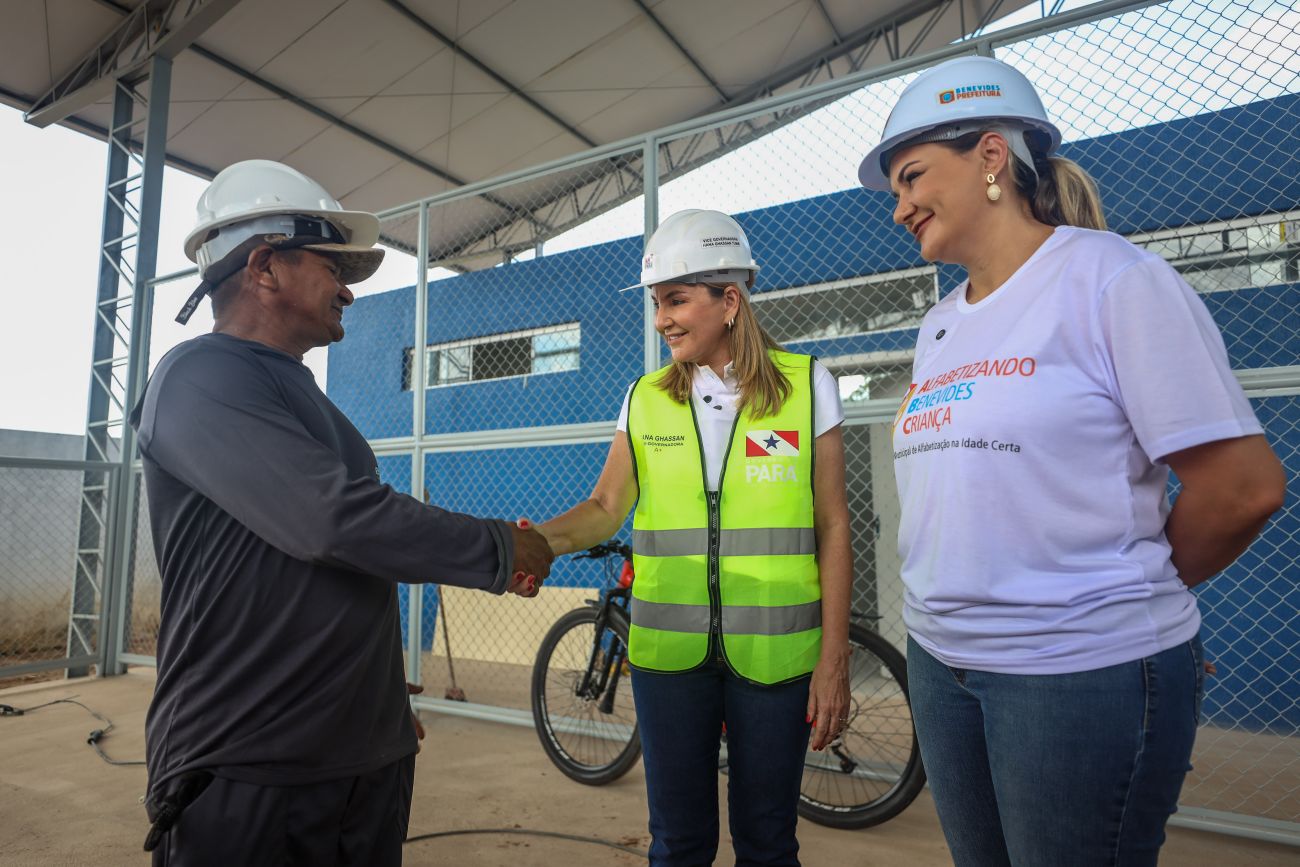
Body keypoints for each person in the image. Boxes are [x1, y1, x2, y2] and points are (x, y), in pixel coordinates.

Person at [858, 56, 1287, 866]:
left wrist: (1122, 590)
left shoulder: (1112, 279)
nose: (901, 207)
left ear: (992, 157)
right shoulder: (942, 322)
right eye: (895, 191)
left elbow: (1243, 488)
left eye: (912, 177)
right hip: (942, 662)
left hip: (1072, 672)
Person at [130, 159, 553, 866]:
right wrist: (500, 550)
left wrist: (378, 701)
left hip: (359, 760)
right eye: (332, 266)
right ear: (265, 266)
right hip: (250, 765)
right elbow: (330, 520)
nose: (349, 290)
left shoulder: (311, 405)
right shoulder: (198, 377)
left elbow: (333, 568)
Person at [527, 209, 852, 866]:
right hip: (668, 660)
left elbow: (833, 524)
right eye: (656, 302)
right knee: (677, 844)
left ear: (729, 299)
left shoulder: (806, 385)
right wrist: (533, 544)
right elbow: (604, 505)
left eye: (675, 299)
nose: (661, 319)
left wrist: (835, 657)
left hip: (777, 658)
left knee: (768, 843)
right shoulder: (644, 398)